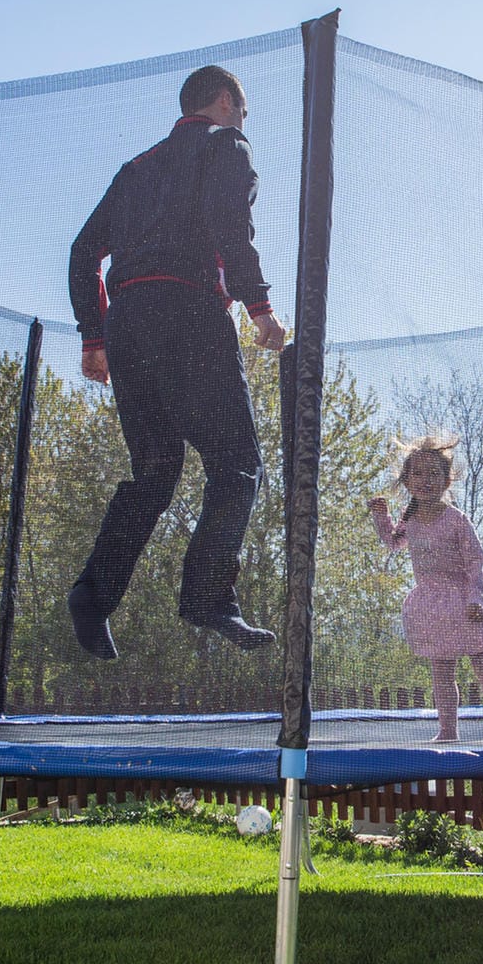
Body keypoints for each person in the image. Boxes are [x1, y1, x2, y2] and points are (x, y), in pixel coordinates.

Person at [65, 65, 286, 662]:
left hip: (129, 324)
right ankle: (209, 594)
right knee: (239, 463)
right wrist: (260, 307)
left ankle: (93, 594)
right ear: (222, 103)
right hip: (187, 312)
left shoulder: (136, 168)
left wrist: (95, 337)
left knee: (157, 470)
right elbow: (229, 224)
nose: (245, 124)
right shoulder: (224, 144)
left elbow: (84, 253)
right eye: (243, 112)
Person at [368, 435, 483, 741]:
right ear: (407, 481)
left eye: (434, 474)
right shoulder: (411, 518)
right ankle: (447, 730)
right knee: (442, 670)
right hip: (434, 605)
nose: (426, 480)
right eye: (418, 474)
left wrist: (477, 599)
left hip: (466, 599)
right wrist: (381, 517)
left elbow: (475, 562)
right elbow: (394, 542)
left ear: (446, 481)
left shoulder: (457, 520)